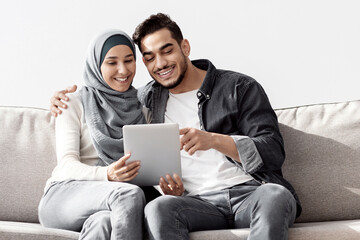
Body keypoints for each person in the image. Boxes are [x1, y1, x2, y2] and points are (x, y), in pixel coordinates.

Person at [50, 13, 302, 240]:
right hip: (196, 204)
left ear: (185, 47)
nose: (160, 64)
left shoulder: (239, 88)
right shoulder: (146, 101)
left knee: (275, 195)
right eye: (149, 58)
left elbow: (273, 151)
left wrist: (214, 140)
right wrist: (61, 100)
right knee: (159, 208)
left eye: (167, 51)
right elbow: (106, 97)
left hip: (251, 193)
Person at [39, 30, 149, 240]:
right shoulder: (71, 102)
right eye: (111, 62)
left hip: (110, 205)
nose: (123, 70)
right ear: (96, 65)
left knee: (104, 223)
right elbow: (66, 165)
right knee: (128, 193)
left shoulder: (143, 107)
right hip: (64, 196)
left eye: (129, 60)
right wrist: (108, 175)